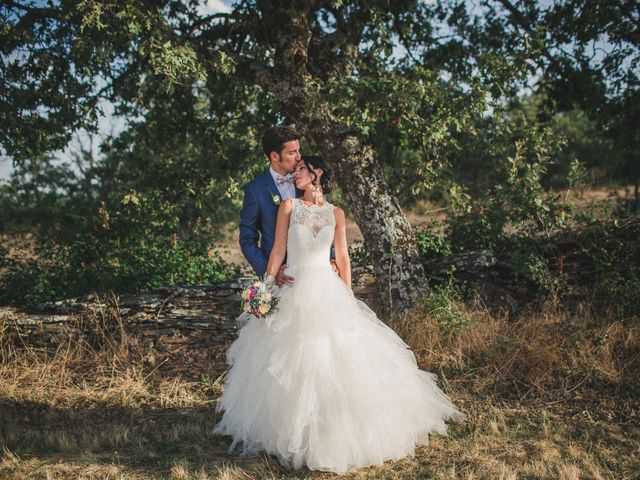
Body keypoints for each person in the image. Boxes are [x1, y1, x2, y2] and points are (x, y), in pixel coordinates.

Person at [213, 155, 467, 475]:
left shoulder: (336, 213)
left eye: (302, 169)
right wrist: (265, 287)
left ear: (317, 174)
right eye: (296, 169)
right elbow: (277, 249)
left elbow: (343, 256)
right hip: (294, 286)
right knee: (293, 359)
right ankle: (294, 432)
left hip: (327, 287)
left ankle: (334, 430)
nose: (296, 173)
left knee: (337, 356)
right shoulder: (288, 207)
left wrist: (347, 297)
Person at [239, 125, 335, 286]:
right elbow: (247, 240)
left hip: (315, 275)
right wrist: (272, 274)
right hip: (281, 279)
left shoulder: (309, 181)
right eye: (292, 152)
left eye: (298, 150)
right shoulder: (255, 190)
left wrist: (332, 258)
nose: (299, 157)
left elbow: (325, 221)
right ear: (275, 156)